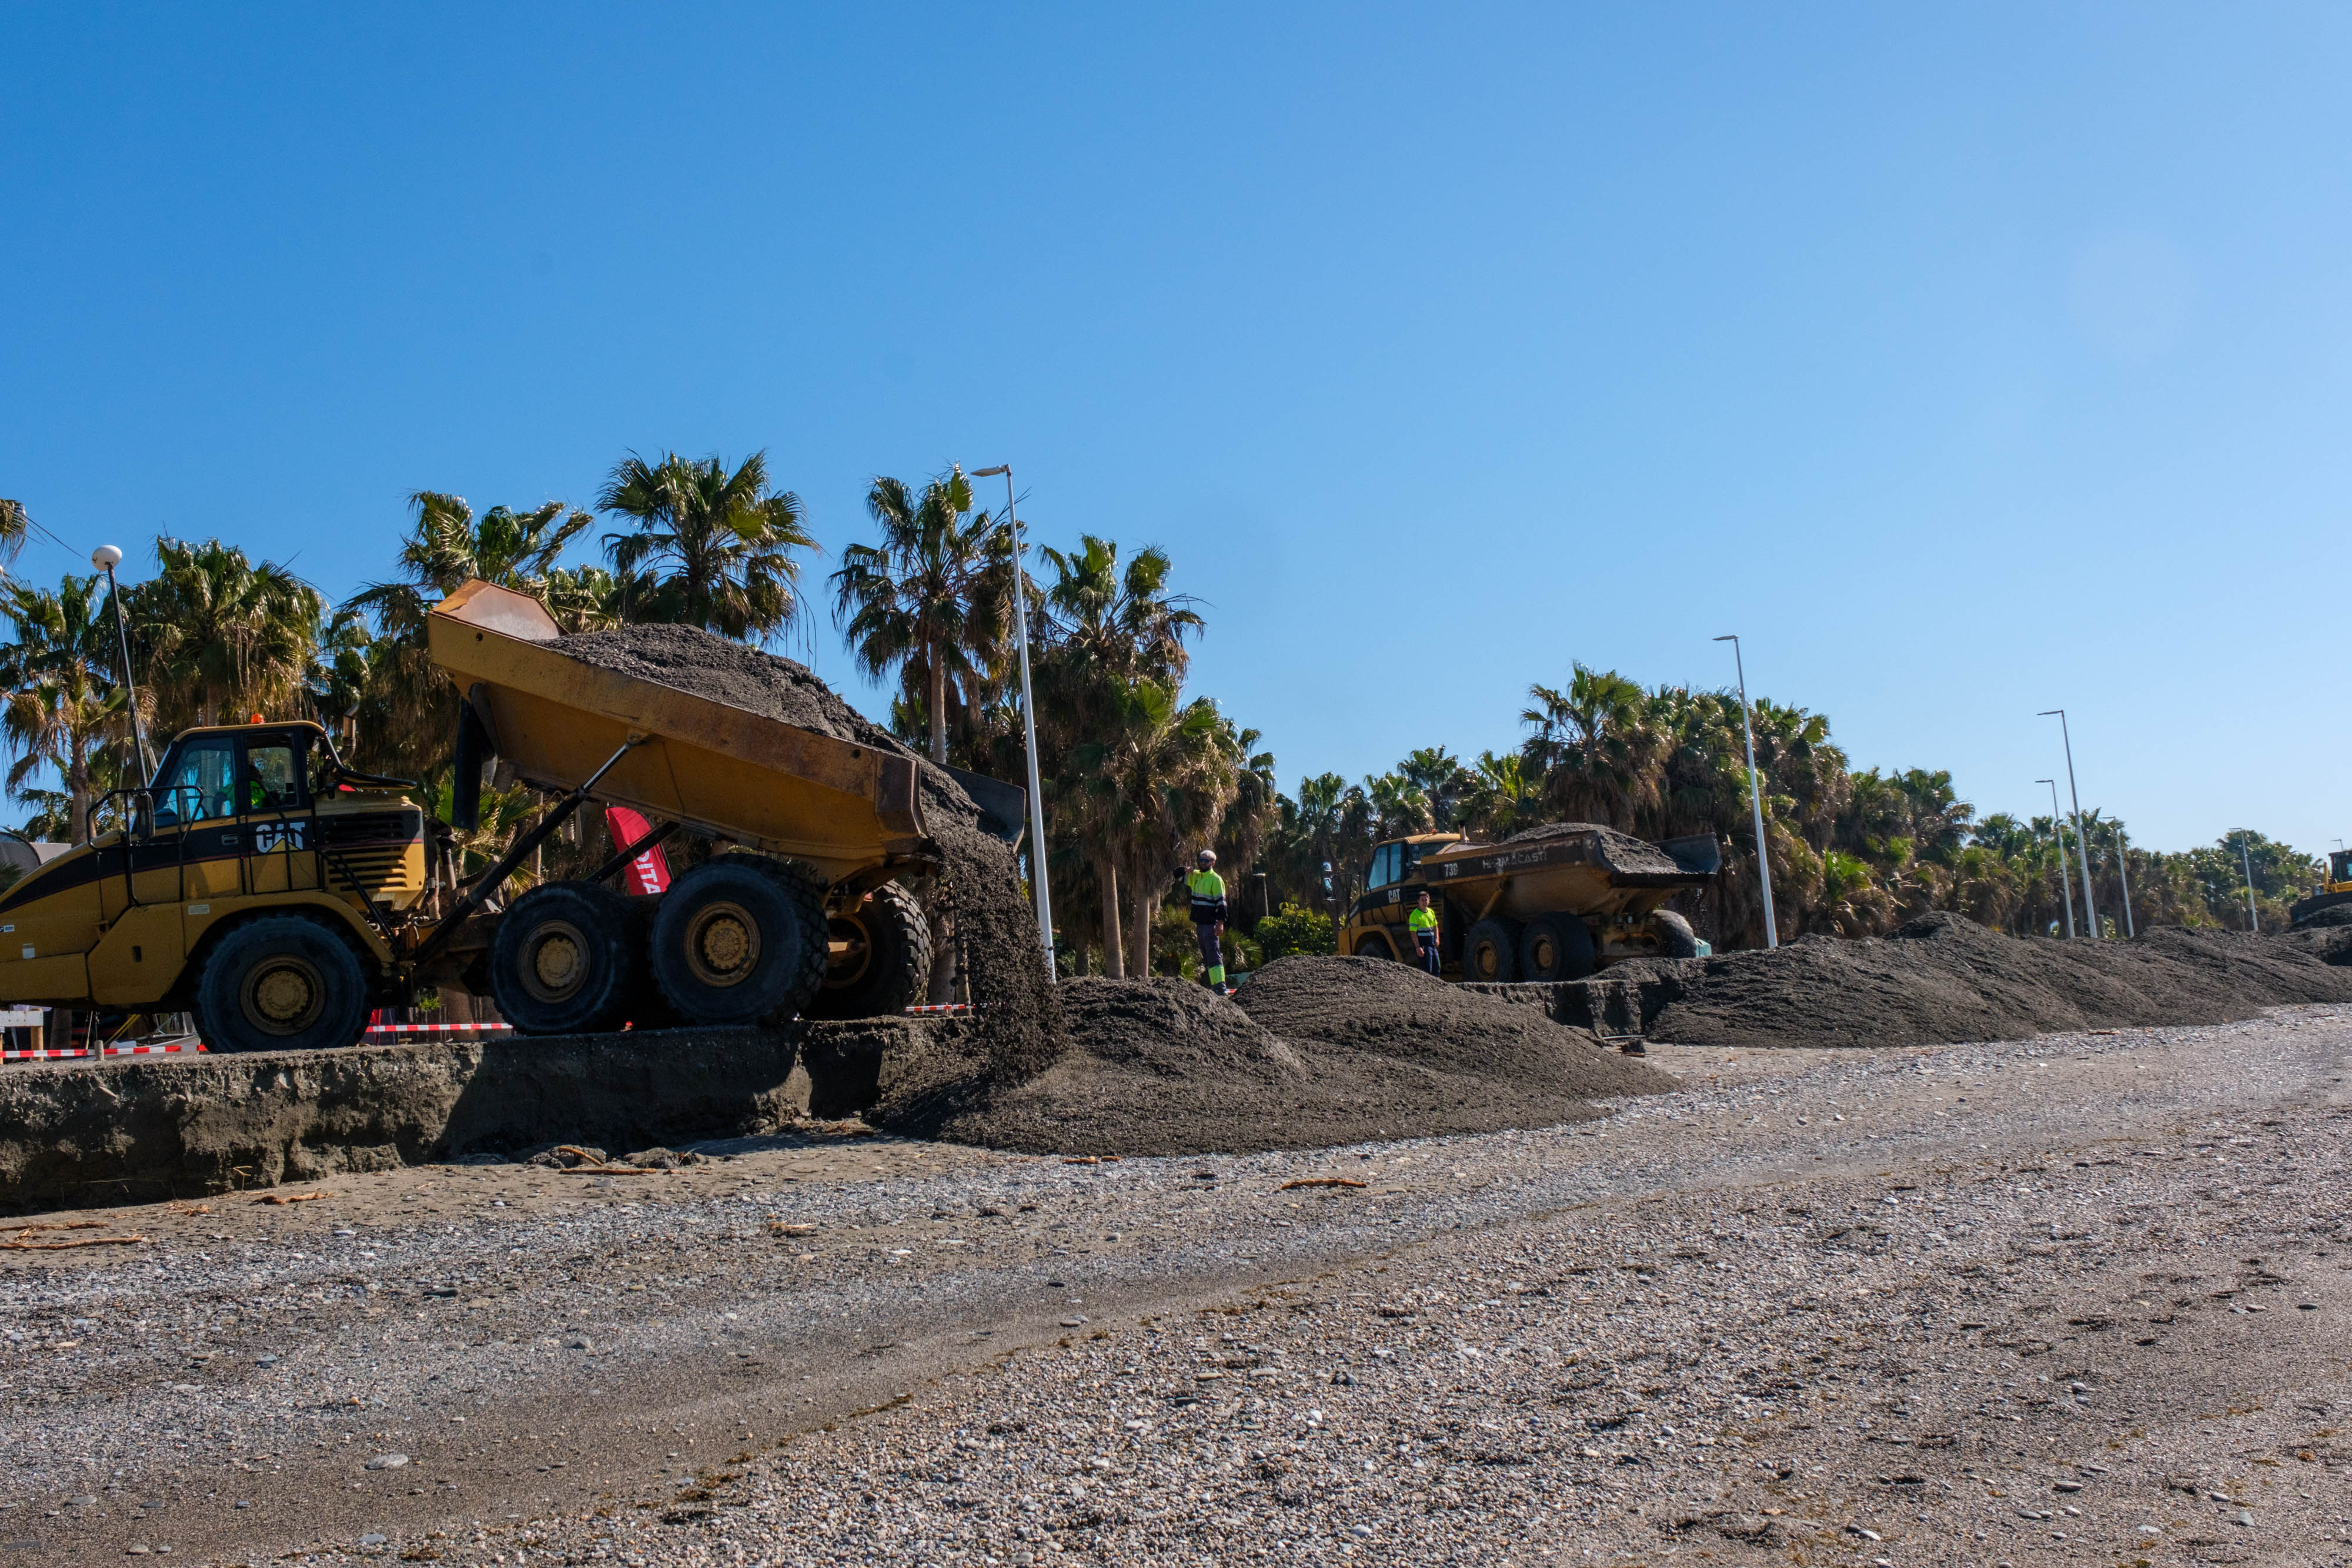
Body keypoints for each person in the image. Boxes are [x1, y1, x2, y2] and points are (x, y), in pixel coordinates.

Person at [1185, 848, 1230, 995]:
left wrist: (1220, 922)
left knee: (1213, 954)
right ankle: (1213, 985)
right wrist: (1187, 870)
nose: (1202, 863)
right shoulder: (1196, 876)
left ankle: (1220, 987)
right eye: (1201, 860)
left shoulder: (1215, 879)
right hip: (1199, 923)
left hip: (1210, 924)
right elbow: (1177, 875)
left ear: (1213, 863)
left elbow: (1221, 903)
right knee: (1206, 955)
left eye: (1206, 861)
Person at [1408, 890, 1441, 975]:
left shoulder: (1431, 912)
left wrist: (1437, 939)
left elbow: (1435, 926)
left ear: (1429, 901)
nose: (1424, 902)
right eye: (1422, 900)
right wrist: (1418, 947)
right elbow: (1413, 933)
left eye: (1426, 900)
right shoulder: (1414, 915)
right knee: (1427, 969)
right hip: (1423, 945)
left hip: (1432, 944)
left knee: (1437, 967)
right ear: (1418, 901)